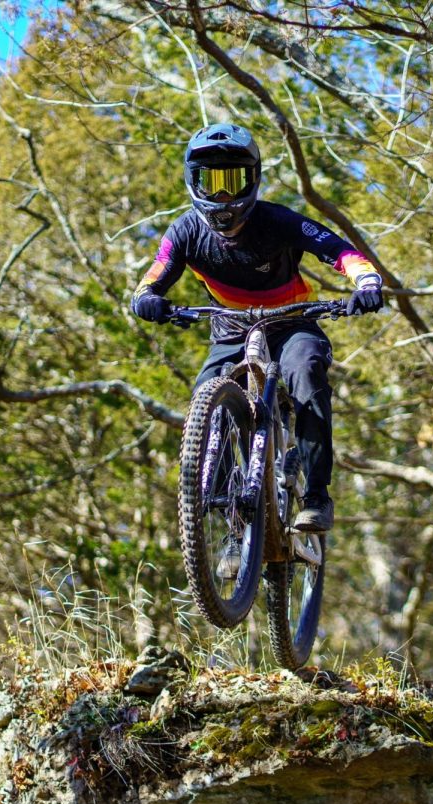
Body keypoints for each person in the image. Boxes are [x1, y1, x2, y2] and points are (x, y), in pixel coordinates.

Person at [130, 122, 385, 535]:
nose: (223, 196)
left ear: (253, 181)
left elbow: (340, 250)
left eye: (233, 182)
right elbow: (153, 277)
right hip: (230, 331)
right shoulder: (185, 232)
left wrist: (367, 282)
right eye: (211, 183)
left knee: (306, 371)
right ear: (192, 181)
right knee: (205, 400)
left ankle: (317, 496)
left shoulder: (278, 221)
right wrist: (147, 299)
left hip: (291, 324)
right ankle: (232, 522)